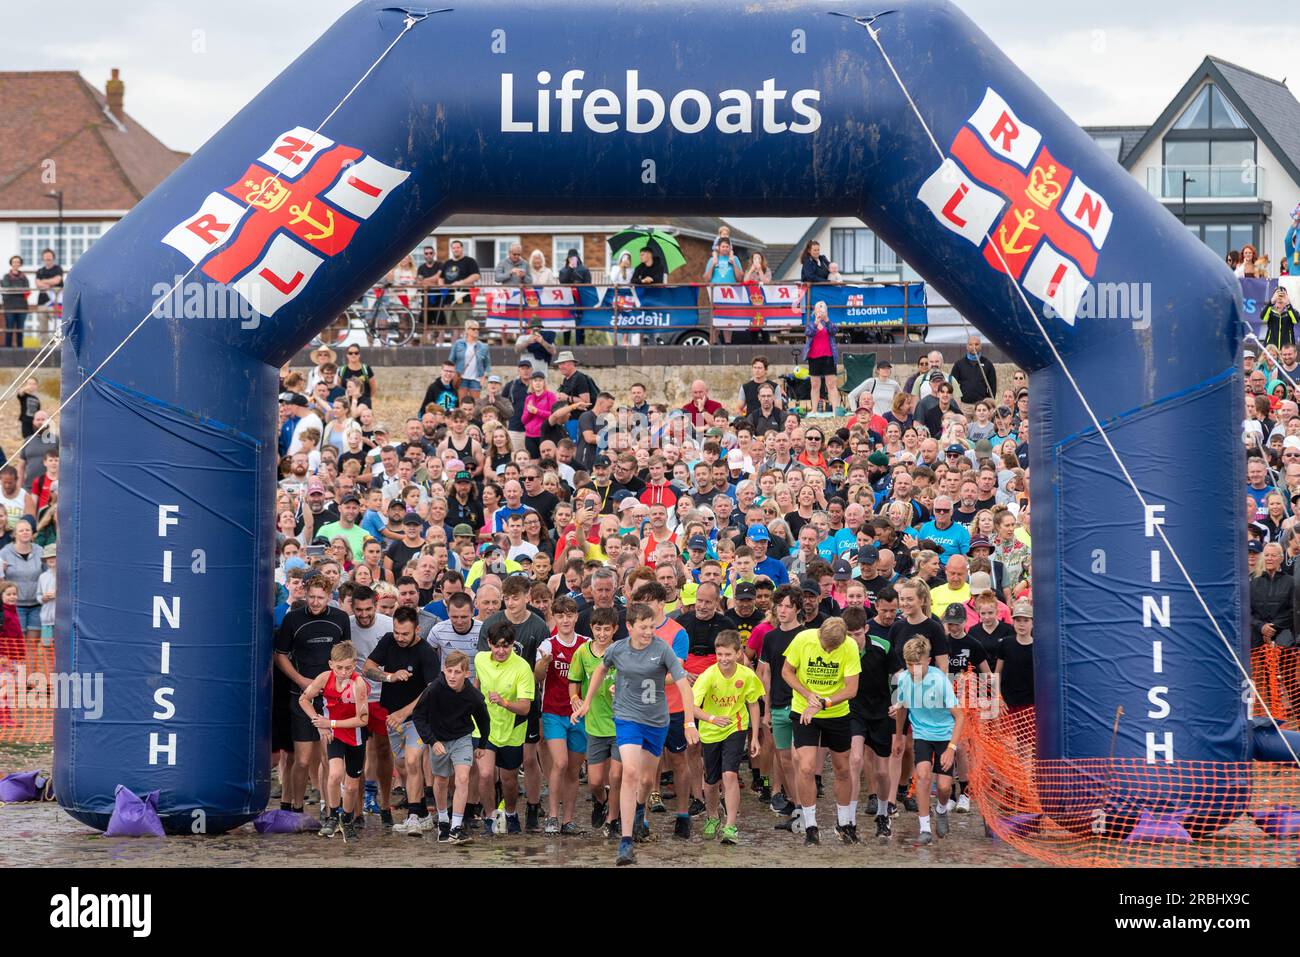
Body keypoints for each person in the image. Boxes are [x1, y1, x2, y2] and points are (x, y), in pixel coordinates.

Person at [572, 602, 694, 866]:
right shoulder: (618, 649)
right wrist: (586, 702)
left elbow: (683, 684)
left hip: (656, 722)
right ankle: (625, 841)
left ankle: (640, 807)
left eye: (652, 626)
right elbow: (600, 671)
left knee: (648, 781)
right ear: (630, 627)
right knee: (629, 773)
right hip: (627, 719)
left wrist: (689, 722)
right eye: (644, 627)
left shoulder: (662, 648)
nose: (649, 632)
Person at [781, 616, 861, 845]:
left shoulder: (850, 646)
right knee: (806, 766)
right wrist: (808, 696)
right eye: (825, 645)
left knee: (843, 768)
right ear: (819, 634)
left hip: (836, 712)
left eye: (832, 648)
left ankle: (844, 823)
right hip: (803, 709)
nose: (827, 650)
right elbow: (787, 672)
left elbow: (851, 689)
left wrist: (824, 703)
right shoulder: (803, 638)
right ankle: (810, 827)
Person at [363, 606, 442, 835]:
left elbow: (431, 691)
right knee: (401, 766)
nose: (400, 637)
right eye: (397, 632)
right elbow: (368, 667)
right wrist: (389, 676)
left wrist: (404, 713)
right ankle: (425, 815)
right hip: (392, 715)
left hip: (418, 717)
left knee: (412, 761)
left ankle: (414, 816)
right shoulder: (388, 641)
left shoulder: (425, 652)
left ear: (417, 629)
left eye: (405, 634)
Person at [275, 578, 351, 813]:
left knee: (329, 759)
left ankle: (330, 809)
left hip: (332, 698)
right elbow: (280, 655)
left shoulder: (340, 619)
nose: (315, 602)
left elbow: (346, 655)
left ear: (330, 597)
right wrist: (301, 680)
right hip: (302, 696)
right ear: (304, 595)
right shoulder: (293, 619)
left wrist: (340, 684)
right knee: (304, 759)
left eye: (320, 598)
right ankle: (297, 808)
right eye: (311, 597)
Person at [408, 649, 491, 843]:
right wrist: (432, 741)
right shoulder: (435, 688)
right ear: (444, 670)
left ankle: (456, 827)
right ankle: (443, 820)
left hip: (462, 738)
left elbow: (484, 719)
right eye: (449, 671)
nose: (452, 676)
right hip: (439, 739)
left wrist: (482, 744)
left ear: (466, 673)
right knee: (441, 780)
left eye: (457, 672)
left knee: (462, 778)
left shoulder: (473, 695)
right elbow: (419, 716)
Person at [690, 629, 763, 844]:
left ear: (739, 653)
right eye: (720, 654)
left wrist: (755, 737)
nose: (723, 659)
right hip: (711, 731)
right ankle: (712, 816)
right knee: (711, 781)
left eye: (728, 654)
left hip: (735, 727)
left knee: (730, 775)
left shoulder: (747, 675)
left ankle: (731, 826)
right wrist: (712, 718)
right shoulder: (708, 675)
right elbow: (692, 707)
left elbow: (753, 703)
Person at [891, 635, 964, 845]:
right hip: (922, 734)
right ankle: (924, 828)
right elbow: (902, 708)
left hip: (944, 735)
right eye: (909, 664)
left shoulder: (940, 680)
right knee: (922, 776)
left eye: (918, 665)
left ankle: (941, 810)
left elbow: (960, 716)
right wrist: (899, 737)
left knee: (943, 787)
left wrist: (951, 748)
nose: (914, 669)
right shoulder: (903, 678)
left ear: (929, 661)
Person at [298, 642, 370, 839]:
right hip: (334, 734)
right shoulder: (324, 677)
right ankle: (332, 814)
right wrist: (320, 723)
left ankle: (347, 819)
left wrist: (331, 722)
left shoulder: (359, 684)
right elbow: (304, 699)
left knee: (352, 784)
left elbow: (363, 719)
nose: (343, 672)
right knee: (335, 774)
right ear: (331, 664)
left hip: (354, 735)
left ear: (354, 665)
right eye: (339, 667)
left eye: (348, 668)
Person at [473, 618, 536, 835]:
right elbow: (477, 685)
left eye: (506, 646)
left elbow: (526, 707)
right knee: (485, 774)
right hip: (484, 728)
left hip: (512, 730)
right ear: (489, 643)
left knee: (508, 780)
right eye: (497, 645)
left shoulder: (522, 668)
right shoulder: (480, 659)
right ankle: (490, 818)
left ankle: (510, 813)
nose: (501, 651)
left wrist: (504, 702)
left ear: (512, 645)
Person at [534, 595, 589, 834]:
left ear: (576, 617)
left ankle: (568, 819)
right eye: (560, 616)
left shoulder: (587, 644)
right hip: (554, 712)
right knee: (560, 763)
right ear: (554, 618)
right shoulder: (547, 645)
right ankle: (552, 817)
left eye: (569, 615)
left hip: (580, 713)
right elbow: (537, 678)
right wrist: (544, 663)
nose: (565, 620)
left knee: (574, 770)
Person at [802, 301, 843, 416]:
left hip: (828, 356)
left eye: (822, 308)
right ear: (814, 311)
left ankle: (835, 410)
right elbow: (808, 333)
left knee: (831, 384)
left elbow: (834, 331)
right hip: (814, 357)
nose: (819, 311)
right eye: (818, 309)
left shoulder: (828, 323)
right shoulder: (811, 324)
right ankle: (814, 410)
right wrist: (816, 322)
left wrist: (826, 320)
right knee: (815, 384)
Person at [450, 320, 491, 405]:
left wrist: (485, 376)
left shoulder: (483, 346)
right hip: (461, 378)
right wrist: (453, 374)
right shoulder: (458, 343)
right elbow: (451, 360)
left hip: (476, 379)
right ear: (467, 330)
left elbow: (487, 364)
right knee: (462, 403)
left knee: (476, 404)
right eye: (473, 329)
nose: (476, 331)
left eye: (478, 329)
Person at [950, 335, 998, 406]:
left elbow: (993, 385)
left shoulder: (987, 364)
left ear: (980, 346)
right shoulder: (959, 364)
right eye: (971, 344)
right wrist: (957, 402)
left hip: (981, 406)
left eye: (976, 344)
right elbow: (952, 383)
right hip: (964, 405)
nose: (974, 347)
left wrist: (988, 402)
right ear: (967, 346)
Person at [1, 255, 29, 349]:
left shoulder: (24, 277)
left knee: (20, 330)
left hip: (22, 307)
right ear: (11, 263)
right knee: (9, 329)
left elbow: (27, 290)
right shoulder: (6, 276)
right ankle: (8, 350)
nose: (16, 264)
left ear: (20, 264)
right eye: (14, 262)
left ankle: (20, 350)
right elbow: (7, 288)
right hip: (9, 307)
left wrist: (14, 290)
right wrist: (19, 290)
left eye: (18, 262)